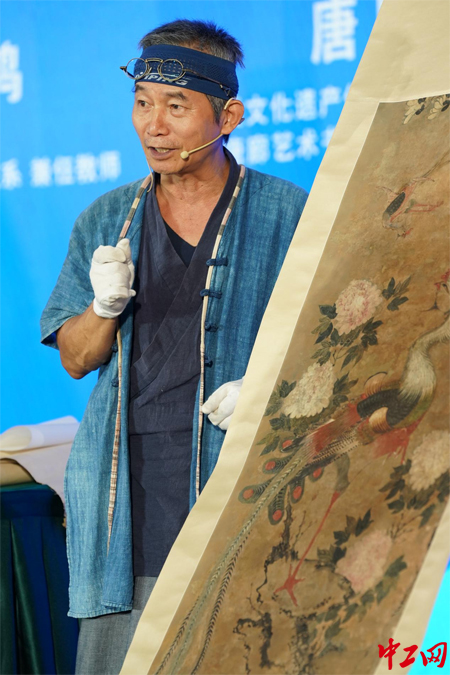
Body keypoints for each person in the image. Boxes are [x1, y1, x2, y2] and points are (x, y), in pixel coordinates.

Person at [40, 19, 308, 674]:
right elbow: (75, 357)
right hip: (127, 497)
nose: (153, 127)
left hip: (247, 486)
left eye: (176, 107)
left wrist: (273, 389)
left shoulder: (289, 215)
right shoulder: (107, 219)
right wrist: (103, 308)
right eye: (142, 103)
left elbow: (339, 350)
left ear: (229, 116)